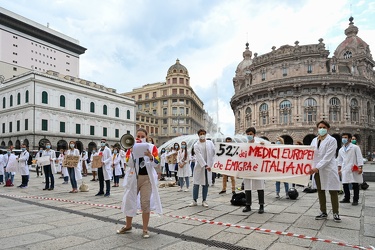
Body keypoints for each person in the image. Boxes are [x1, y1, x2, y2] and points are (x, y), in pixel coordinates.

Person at [117, 128, 162, 238]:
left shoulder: (152, 147)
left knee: (145, 202)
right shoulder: (131, 147)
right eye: (138, 136)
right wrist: (132, 152)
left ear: (146, 137)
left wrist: (150, 156)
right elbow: (129, 163)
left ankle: (145, 229)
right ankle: (128, 226)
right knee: (129, 200)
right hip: (133, 177)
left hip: (147, 179)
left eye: (142, 136)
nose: (140, 138)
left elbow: (156, 163)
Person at [309, 120, 341, 222]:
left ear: (328, 129)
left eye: (324, 127)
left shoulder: (332, 140)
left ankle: (336, 212)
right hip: (317, 170)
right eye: (320, 127)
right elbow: (310, 153)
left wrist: (317, 167)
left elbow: (328, 157)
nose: (321, 129)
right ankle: (323, 212)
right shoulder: (314, 140)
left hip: (328, 169)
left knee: (333, 191)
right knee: (320, 191)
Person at [242, 127, 267, 214]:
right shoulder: (244, 145)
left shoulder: (259, 144)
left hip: (257, 168)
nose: (249, 136)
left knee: (260, 186)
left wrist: (264, 147)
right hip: (247, 168)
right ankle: (248, 205)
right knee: (247, 186)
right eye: (248, 134)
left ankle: (261, 205)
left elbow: (265, 154)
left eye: (251, 134)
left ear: (254, 135)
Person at [189, 129, 215, 207]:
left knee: (205, 184)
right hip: (199, 167)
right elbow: (199, 156)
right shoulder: (196, 145)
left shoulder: (210, 143)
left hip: (208, 167)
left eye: (203, 133)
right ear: (198, 135)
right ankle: (194, 200)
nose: (202, 135)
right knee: (196, 183)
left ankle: (204, 200)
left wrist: (213, 164)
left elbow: (214, 152)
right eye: (201, 134)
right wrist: (205, 165)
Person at [337, 133, 364, 206]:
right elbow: (339, 160)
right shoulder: (341, 149)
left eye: (345, 137)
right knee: (345, 184)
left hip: (353, 167)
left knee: (355, 184)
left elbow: (359, 157)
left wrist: (360, 167)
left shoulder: (355, 147)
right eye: (343, 137)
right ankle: (347, 198)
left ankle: (355, 199)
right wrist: (339, 169)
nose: (344, 139)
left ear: (349, 139)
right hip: (345, 168)